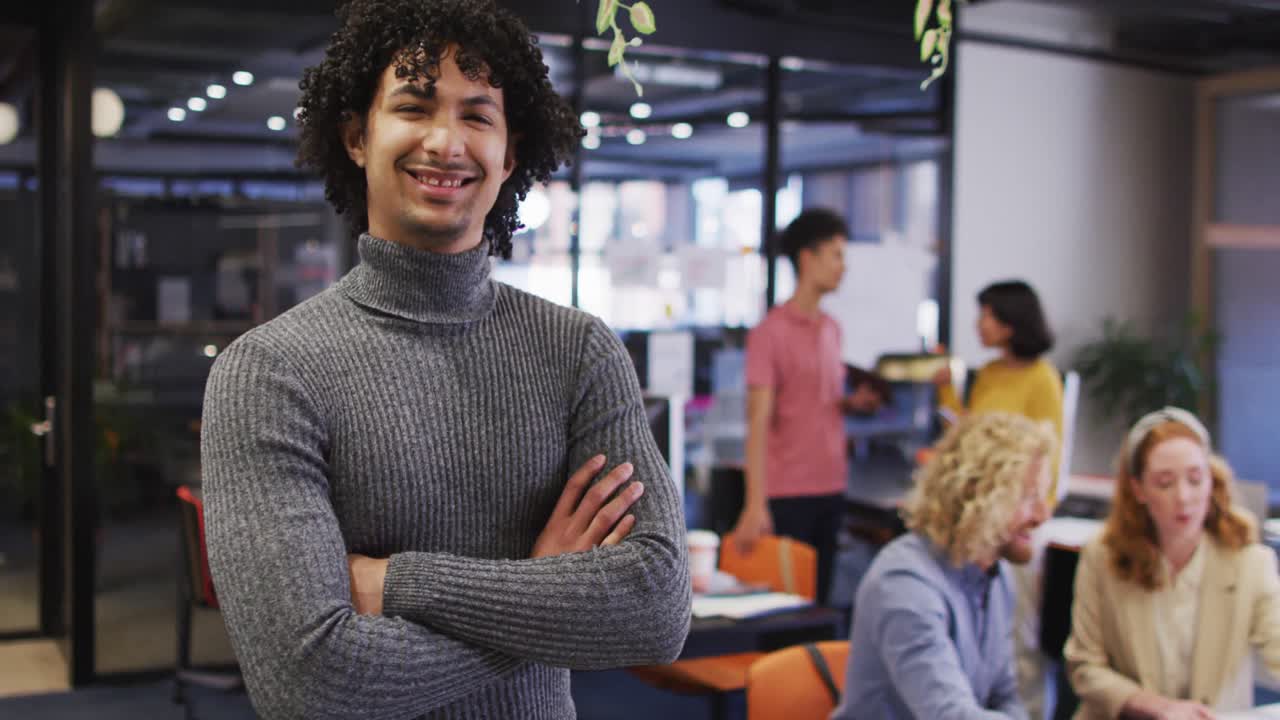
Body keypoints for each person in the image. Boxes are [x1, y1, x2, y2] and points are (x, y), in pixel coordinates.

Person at [199, 1, 690, 718]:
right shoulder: (269, 372)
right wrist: (541, 591)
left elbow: (656, 608)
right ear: (357, 136)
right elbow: (308, 685)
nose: (446, 142)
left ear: (510, 153)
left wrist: (398, 583)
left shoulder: (578, 351)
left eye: (478, 116)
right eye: (414, 105)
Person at [832, 411, 1054, 720]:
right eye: (1029, 497)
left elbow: (1004, 695)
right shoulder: (904, 583)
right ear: (980, 496)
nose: (1042, 515)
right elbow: (951, 715)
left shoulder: (996, 575)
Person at [1063, 407, 1280, 719]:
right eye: (1165, 483)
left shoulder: (1249, 560)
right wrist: (1157, 707)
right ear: (1138, 489)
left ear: (1211, 477)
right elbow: (1084, 667)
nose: (1184, 497)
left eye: (1195, 478)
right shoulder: (1103, 557)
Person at [731, 208, 882, 606]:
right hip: (787, 492)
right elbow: (758, 422)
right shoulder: (769, 333)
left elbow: (816, 400)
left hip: (831, 484)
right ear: (807, 258)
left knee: (822, 605)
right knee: (788, 610)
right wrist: (753, 504)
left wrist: (852, 403)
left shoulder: (833, 328)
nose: (842, 267)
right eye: (836, 255)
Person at [935, 280, 1063, 487]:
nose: (978, 324)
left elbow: (1049, 455)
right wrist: (945, 388)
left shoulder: (1043, 378)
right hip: (980, 490)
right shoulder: (989, 371)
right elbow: (964, 433)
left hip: (1015, 496)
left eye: (986, 315)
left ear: (1009, 323)